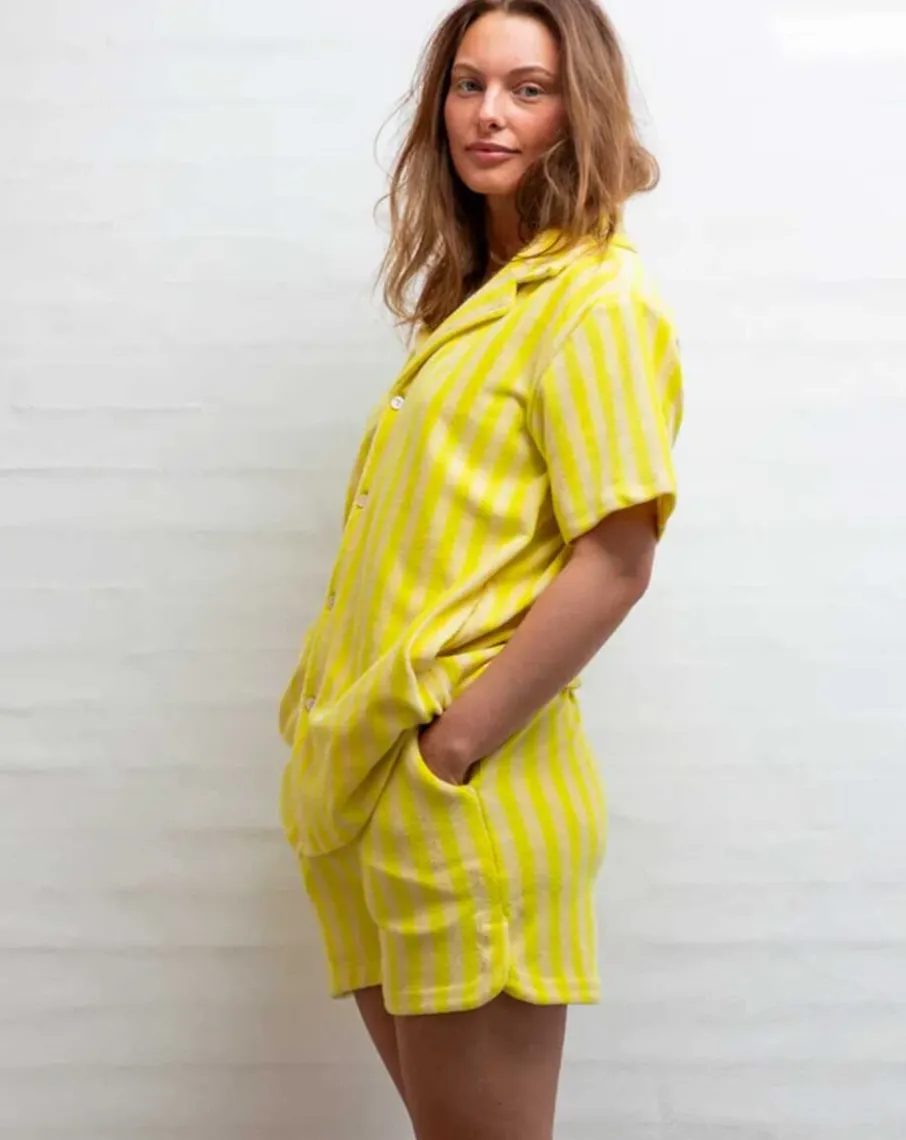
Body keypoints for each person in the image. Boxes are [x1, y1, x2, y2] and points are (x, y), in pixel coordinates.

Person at [277, 1, 683, 1137]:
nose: (488, 114)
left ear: (578, 111)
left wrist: (451, 749)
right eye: (468, 84)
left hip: (469, 798)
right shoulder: (474, 307)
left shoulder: (594, 303)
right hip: (373, 794)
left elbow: (617, 558)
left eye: (527, 89)